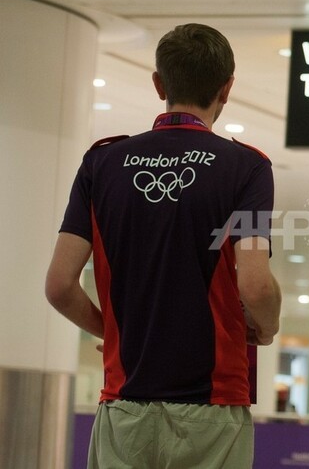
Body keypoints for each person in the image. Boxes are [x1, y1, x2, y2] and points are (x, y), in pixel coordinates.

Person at [45, 23, 281, 468]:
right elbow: (256, 286)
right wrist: (266, 328)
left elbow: (59, 286)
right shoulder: (247, 168)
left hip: (123, 405)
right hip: (212, 410)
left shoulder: (101, 162)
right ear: (227, 88)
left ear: (159, 84)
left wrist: (117, 332)